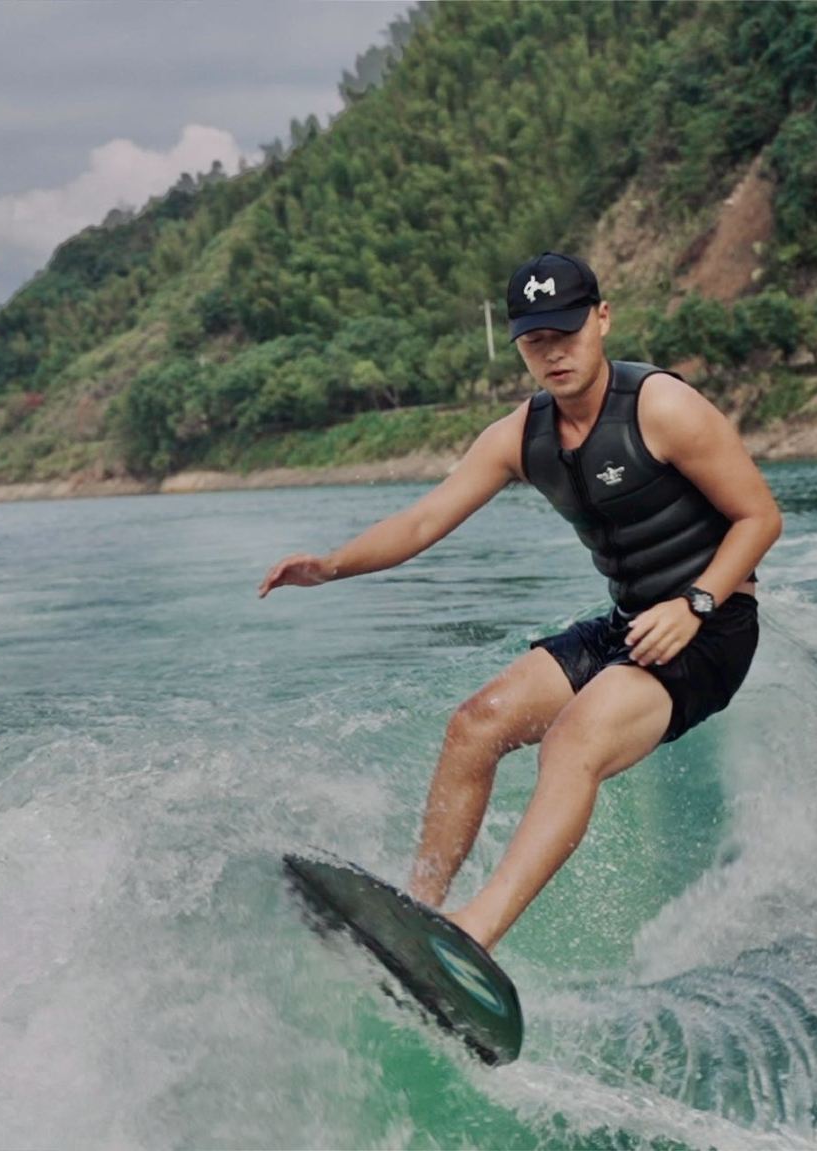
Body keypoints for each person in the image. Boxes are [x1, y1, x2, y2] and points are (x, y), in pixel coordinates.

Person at [257, 252, 783, 953]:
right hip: (630, 623)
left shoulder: (661, 406)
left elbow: (760, 518)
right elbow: (421, 521)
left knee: (573, 739)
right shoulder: (521, 436)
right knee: (476, 722)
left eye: (567, 332)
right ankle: (419, 912)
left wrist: (694, 602)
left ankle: (475, 934)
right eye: (537, 340)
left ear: (602, 319)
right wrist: (329, 565)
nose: (554, 353)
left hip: (712, 627)